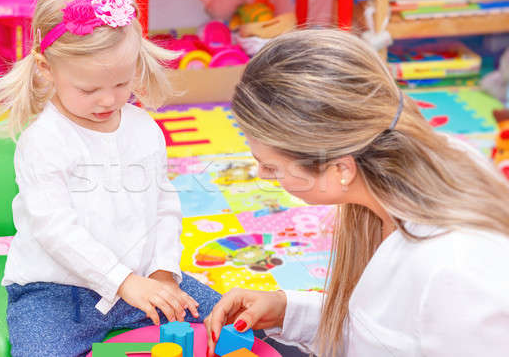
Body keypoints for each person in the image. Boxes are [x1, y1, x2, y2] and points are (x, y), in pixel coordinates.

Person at [204, 29, 509, 357]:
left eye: (272, 167)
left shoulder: (456, 272)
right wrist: (286, 310)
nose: (262, 174)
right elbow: (384, 330)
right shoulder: (411, 172)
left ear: (341, 170)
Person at [0, 0, 220, 355]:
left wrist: (162, 273)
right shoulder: (44, 141)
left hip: (141, 281)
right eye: (89, 88)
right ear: (47, 68)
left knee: (228, 322)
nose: (109, 100)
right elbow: (56, 231)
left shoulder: (143, 127)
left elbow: (163, 205)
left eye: (121, 83)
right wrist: (122, 280)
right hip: (55, 295)